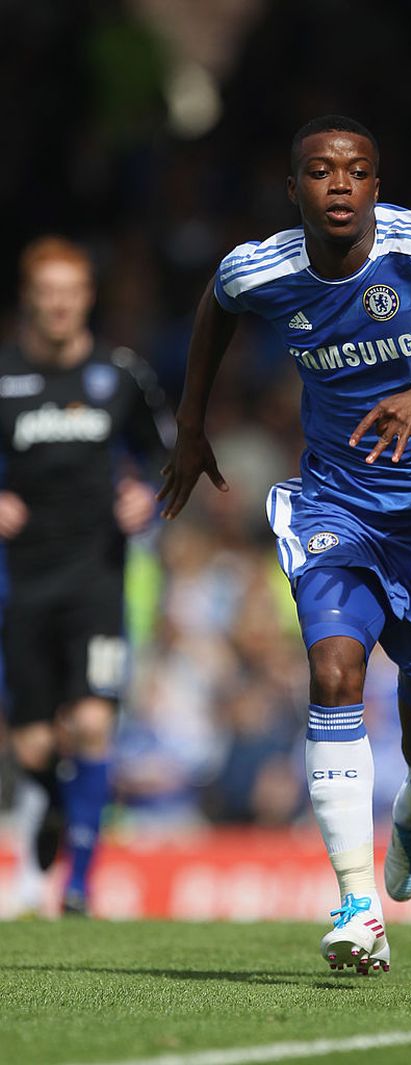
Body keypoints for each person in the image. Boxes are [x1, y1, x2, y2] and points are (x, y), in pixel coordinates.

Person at [159, 115, 411, 972]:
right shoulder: (260, 267)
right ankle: (356, 905)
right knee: (335, 669)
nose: (339, 183)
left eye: (357, 170)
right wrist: (191, 422)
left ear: (377, 185)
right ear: (292, 187)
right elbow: (217, 304)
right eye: (320, 170)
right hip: (336, 505)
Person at [0, 236, 174, 915]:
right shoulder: (5, 376)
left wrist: (144, 498)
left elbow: (166, 455)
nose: (59, 305)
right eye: (48, 293)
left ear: (87, 298)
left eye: (70, 293)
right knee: (33, 742)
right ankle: (52, 804)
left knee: (93, 723)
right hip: (22, 582)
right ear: (29, 299)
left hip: (97, 577)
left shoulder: (119, 374)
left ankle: (78, 884)